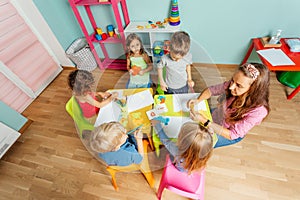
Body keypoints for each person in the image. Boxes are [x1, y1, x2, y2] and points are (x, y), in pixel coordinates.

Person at [188, 63, 270, 148]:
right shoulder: (233, 84)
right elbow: (211, 90)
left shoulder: (259, 111)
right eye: (232, 81)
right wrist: (198, 100)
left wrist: (205, 121)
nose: (231, 87)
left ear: (253, 90)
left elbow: (232, 134)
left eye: (238, 85)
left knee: (198, 144)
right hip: (217, 116)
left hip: (226, 132)